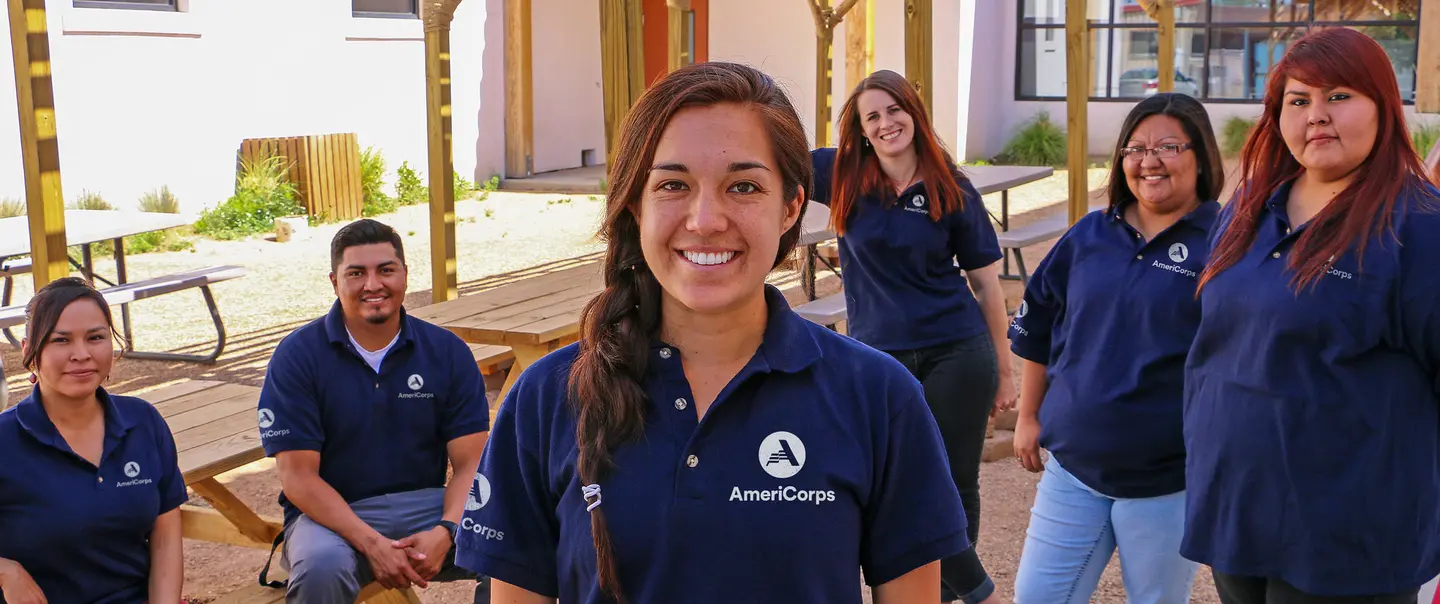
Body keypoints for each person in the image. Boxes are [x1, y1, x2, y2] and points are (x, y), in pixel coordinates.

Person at [451, 61, 970, 604]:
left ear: (791, 206)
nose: (705, 219)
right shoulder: (545, 397)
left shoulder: (878, 397)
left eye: (743, 186)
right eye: (673, 184)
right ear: (635, 203)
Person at [1184, 28, 1440, 603]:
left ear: (1384, 106)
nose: (1316, 116)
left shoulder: (1419, 226)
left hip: (1348, 532)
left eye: (1339, 96)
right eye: (1299, 101)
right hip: (1237, 509)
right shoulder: (1249, 207)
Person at [1007, 93, 1223, 604]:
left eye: (1168, 146)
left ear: (1201, 157)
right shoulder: (1089, 235)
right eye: (1135, 146)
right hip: (1073, 467)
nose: (1148, 160)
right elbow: (1039, 324)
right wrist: (1028, 416)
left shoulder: (1225, 243)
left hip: (1167, 479)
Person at [809, 68, 1014, 604]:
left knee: (954, 482)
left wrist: (1005, 371)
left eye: (893, 110)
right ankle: (983, 594)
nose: (885, 123)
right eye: (872, 116)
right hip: (880, 359)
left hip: (958, 352)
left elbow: (987, 287)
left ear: (913, 113)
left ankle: (939, 596)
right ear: (860, 129)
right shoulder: (842, 173)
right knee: (900, 482)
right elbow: (770, 157)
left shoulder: (951, 186)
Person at [257, 219, 492, 603]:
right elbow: (297, 478)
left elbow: (472, 464)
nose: (373, 285)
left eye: (386, 270)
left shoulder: (446, 351)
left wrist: (447, 529)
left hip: (426, 506)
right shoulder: (297, 356)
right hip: (330, 518)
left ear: (404, 275)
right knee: (321, 567)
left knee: (518, 535)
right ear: (335, 282)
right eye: (356, 273)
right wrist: (371, 543)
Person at [0, 277, 185, 604]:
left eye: (96, 337)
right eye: (61, 340)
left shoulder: (143, 421)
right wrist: (4, 571)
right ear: (29, 351)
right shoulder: (5, 439)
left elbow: (166, 538)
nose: (81, 354)